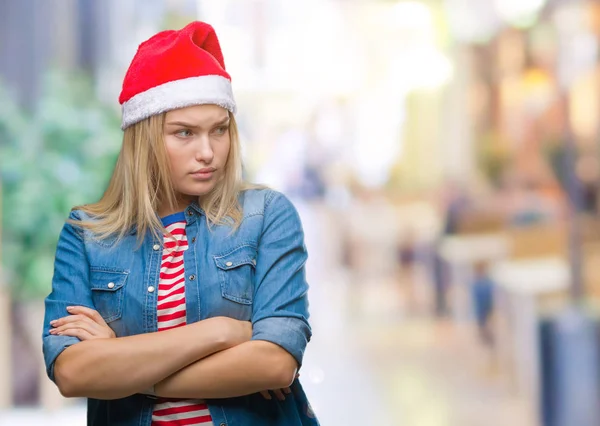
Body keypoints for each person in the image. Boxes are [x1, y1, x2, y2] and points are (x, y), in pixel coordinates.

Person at [42, 21, 318, 426]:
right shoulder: (88, 234)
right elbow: (71, 372)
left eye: (219, 130)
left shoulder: (266, 217)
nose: (208, 152)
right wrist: (222, 333)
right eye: (184, 133)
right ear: (146, 138)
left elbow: (275, 364)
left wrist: (121, 360)